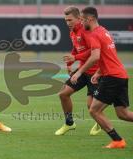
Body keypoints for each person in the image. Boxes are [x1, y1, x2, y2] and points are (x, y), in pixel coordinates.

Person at [71, 6, 133, 148]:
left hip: (112, 77)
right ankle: (118, 141)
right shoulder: (104, 31)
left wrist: (79, 72)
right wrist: (99, 72)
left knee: (94, 110)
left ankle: (117, 140)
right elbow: (108, 56)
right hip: (120, 75)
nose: (81, 22)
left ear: (90, 19)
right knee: (123, 114)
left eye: (82, 19)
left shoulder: (94, 35)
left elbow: (95, 57)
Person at [55, 6, 101, 136]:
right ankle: (69, 123)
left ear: (79, 19)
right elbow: (76, 49)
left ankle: (100, 122)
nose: (68, 23)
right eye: (66, 20)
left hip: (94, 71)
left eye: (70, 20)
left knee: (91, 107)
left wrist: (75, 57)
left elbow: (93, 52)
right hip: (82, 70)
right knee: (63, 94)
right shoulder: (72, 32)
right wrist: (70, 63)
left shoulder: (86, 31)